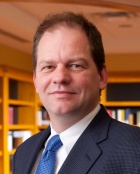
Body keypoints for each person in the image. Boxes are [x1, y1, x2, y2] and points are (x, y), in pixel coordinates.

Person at [13, 11, 140, 174]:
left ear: (101, 76)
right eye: (48, 67)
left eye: (75, 65)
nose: (59, 77)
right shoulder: (24, 152)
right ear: (36, 80)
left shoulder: (135, 151)